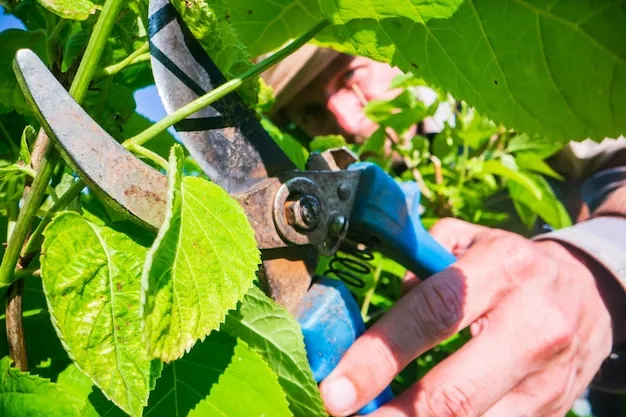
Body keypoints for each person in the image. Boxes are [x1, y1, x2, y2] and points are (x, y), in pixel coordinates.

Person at [262, 46, 626, 416]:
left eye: (350, 77)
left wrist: (594, 270)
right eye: (311, 112)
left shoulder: (513, 96)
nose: (346, 121)